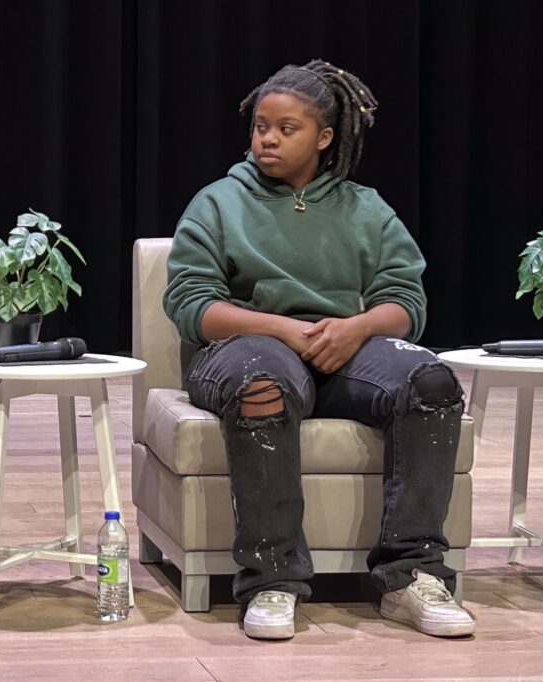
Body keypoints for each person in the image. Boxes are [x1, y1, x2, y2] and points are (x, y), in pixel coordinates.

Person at [163, 60, 474, 640]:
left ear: (325, 138)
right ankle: (272, 581)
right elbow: (190, 303)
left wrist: (356, 328)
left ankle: (411, 577)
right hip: (244, 349)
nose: (268, 139)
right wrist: (282, 329)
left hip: (345, 347)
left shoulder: (366, 207)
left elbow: (406, 300)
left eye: (286, 129)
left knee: (432, 382)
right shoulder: (218, 202)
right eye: (261, 126)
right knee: (263, 386)